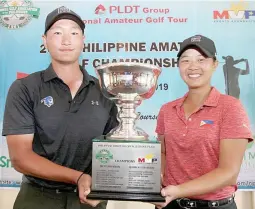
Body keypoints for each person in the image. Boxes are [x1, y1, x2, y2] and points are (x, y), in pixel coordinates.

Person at [2, 6, 118, 209]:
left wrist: (110, 183)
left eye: (74, 33)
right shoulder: (25, 88)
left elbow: (113, 151)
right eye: (57, 33)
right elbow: (20, 158)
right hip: (38, 199)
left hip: (89, 199)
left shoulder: (105, 91)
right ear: (44, 40)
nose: (66, 40)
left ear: (83, 40)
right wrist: (78, 177)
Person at [154, 35, 253, 209]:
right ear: (178, 66)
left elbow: (228, 172)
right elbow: (162, 152)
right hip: (170, 203)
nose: (193, 67)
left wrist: (178, 190)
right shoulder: (167, 110)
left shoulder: (230, 107)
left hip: (214, 206)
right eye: (185, 61)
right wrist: (154, 181)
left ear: (214, 64)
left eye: (201, 60)